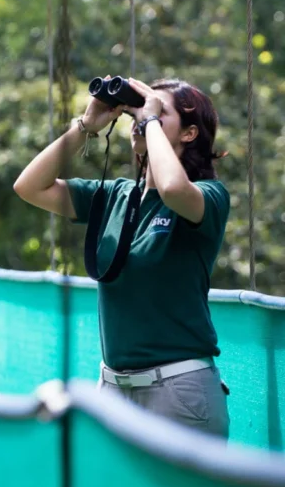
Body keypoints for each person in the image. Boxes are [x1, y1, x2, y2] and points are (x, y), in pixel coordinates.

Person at [13, 77, 231, 437]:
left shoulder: (209, 196)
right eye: (138, 113)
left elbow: (174, 188)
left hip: (178, 391)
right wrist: (86, 126)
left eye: (160, 112)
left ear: (190, 134)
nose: (141, 120)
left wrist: (149, 121)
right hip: (113, 390)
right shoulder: (116, 196)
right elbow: (30, 187)